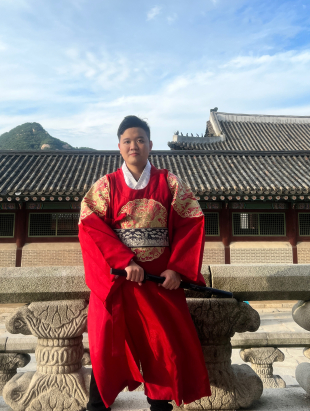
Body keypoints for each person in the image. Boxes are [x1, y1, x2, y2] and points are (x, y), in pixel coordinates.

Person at [79, 115, 211, 411]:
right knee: (106, 344)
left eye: (140, 140)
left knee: (162, 345)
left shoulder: (170, 182)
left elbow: (191, 222)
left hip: (160, 282)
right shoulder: (105, 186)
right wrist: (124, 261)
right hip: (119, 281)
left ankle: (160, 406)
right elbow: (89, 225)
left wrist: (177, 268)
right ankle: (97, 406)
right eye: (127, 141)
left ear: (150, 145)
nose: (133, 146)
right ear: (119, 146)